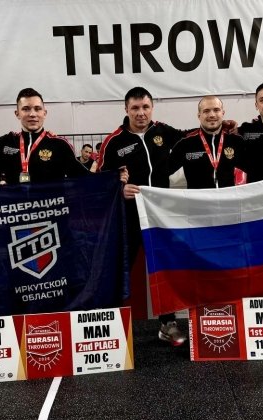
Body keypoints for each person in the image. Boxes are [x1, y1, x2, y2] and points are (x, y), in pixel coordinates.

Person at [98, 87, 191, 347]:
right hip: (128, 216)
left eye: (145, 107)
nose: (141, 113)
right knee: (121, 269)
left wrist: (224, 127)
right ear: (126, 110)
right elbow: (99, 180)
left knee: (164, 270)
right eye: (135, 108)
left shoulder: (165, 133)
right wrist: (118, 188)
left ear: (152, 108)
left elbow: (192, 139)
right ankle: (110, 326)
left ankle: (168, 324)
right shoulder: (113, 141)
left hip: (159, 216)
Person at [0, 88, 127, 184]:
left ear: (45, 113)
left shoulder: (59, 145)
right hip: (15, 217)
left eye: (37, 109)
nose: (32, 114)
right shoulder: (6, 143)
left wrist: (111, 177)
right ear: (17, 113)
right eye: (26, 109)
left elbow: (82, 176)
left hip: (51, 215)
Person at [169, 95, 245, 189]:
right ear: (199, 116)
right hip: (198, 199)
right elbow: (162, 171)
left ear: (223, 113)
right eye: (206, 111)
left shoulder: (235, 140)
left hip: (228, 198)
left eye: (216, 110)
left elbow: (255, 170)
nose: (212, 115)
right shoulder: (186, 143)